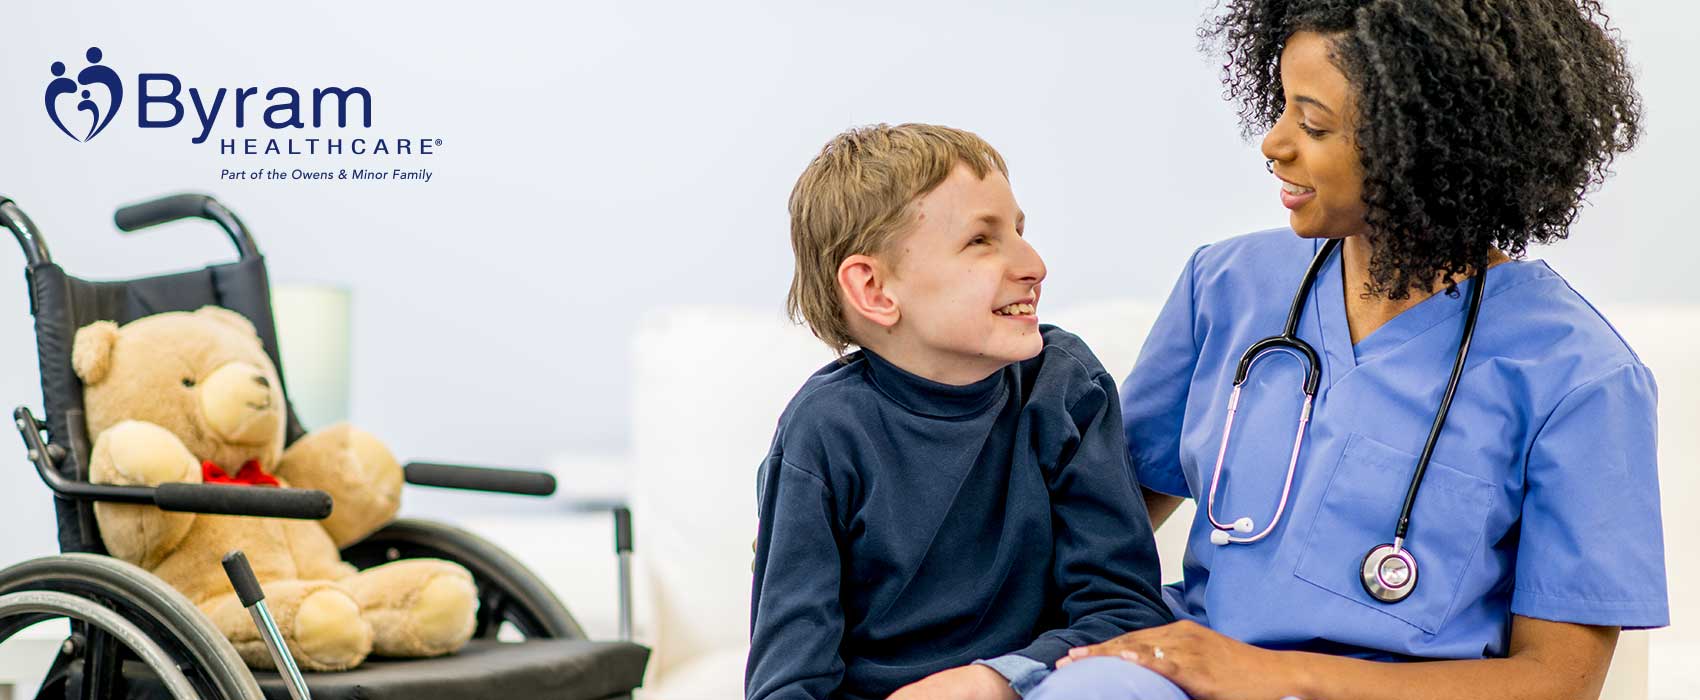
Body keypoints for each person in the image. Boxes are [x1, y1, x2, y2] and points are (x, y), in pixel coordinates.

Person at [1028, 2, 1668, 698]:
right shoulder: (1228, 285)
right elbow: (1094, 528)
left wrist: (1269, 675)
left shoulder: (1578, 377)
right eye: (1280, 108)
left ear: (1423, 144)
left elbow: (1560, 681)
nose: (1274, 144)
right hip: (1186, 675)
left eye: (1314, 125)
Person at [746, 123, 1172, 700]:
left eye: (1020, 231)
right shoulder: (822, 433)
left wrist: (995, 681)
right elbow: (789, 679)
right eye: (981, 240)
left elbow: (1124, 609)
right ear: (873, 288)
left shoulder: (1064, 389)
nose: (1034, 263)